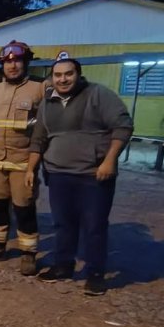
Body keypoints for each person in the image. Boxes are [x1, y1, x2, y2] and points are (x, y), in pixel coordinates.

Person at [26, 53, 133, 295]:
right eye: (58, 75)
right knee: (63, 223)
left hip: (93, 175)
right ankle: (63, 265)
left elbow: (123, 126)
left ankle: (95, 273)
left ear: (78, 74)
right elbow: (39, 139)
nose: (63, 79)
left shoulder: (98, 94)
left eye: (68, 74)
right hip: (58, 174)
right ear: (51, 78)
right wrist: (31, 168)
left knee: (94, 225)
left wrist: (109, 161)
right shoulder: (47, 102)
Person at [0, 41, 46, 276]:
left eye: (17, 61)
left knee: (24, 207)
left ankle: (28, 253)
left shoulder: (39, 88)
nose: (12, 66)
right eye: (8, 62)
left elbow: (45, 124)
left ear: (25, 62)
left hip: (23, 160)